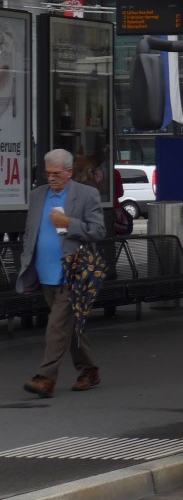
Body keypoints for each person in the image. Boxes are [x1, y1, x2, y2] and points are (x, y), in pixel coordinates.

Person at [15, 148, 106, 398]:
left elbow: (98, 231)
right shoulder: (37, 195)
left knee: (56, 326)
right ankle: (89, 370)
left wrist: (70, 224)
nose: (51, 178)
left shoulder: (86, 194)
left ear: (69, 172)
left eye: (56, 174)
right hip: (45, 275)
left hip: (73, 272)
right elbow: (30, 232)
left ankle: (45, 377)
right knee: (71, 326)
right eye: (48, 174)